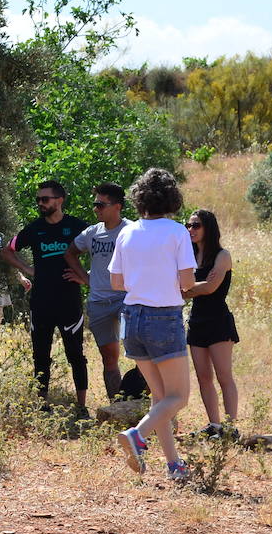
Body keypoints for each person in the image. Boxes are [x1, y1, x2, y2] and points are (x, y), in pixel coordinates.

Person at [110, 168, 197, 481]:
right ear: (172, 198)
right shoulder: (177, 233)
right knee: (179, 398)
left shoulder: (127, 232)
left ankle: (174, 465)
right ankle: (137, 435)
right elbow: (187, 283)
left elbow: (117, 281)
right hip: (163, 317)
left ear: (139, 198)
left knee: (160, 398)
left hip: (131, 317)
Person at [2, 180, 90, 412]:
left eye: (45, 199)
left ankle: (81, 407)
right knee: (41, 354)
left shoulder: (77, 226)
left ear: (59, 200)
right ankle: (42, 405)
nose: (40, 203)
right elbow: (7, 250)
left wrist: (86, 277)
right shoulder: (34, 229)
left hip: (69, 301)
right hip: (41, 301)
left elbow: (103, 249)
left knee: (76, 354)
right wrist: (27, 269)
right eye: (38, 199)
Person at [64, 183, 132, 402]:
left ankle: (147, 404)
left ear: (117, 206)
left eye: (100, 204)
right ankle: (115, 406)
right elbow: (70, 254)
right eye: (95, 204)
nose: (96, 209)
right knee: (109, 359)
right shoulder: (92, 233)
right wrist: (86, 279)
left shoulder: (131, 230)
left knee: (141, 352)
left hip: (127, 299)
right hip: (99, 302)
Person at [183, 208, 239, 437]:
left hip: (218, 320)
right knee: (203, 377)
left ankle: (231, 427)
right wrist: (191, 288)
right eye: (189, 225)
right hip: (197, 321)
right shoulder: (188, 255)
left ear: (209, 228)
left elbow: (210, 287)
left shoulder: (222, 255)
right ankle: (214, 425)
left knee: (224, 375)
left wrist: (185, 289)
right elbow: (196, 286)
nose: (191, 230)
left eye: (196, 225)